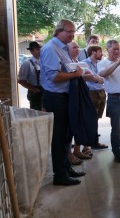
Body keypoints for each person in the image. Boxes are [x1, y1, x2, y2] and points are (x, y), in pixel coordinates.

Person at [40, 19, 86, 185]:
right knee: (59, 137)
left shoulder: (63, 48)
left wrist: (77, 72)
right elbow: (54, 76)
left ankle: (66, 169)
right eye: (69, 31)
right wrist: (76, 74)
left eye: (73, 32)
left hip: (65, 96)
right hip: (55, 97)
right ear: (58, 31)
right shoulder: (51, 49)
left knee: (67, 135)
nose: (72, 35)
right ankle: (59, 176)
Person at [83, 44, 109, 150]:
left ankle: (93, 142)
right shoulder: (84, 63)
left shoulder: (100, 63)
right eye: (100, 52)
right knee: (90, 119)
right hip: (91, 92)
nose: (102, 54)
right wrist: (97, 78)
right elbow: (89, 77)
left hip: (101, 91)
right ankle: (87, 145)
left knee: (96, 118)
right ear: (93, 52)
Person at [18, 41, 43, 111]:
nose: (40, 51)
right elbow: (21, 81)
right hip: (35, 94)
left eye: (40, 49)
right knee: (36, 113)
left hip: (45, 91)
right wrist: (34, 89)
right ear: (31, 51)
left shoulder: (44, 62)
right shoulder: (27, 64)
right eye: (38, 49)